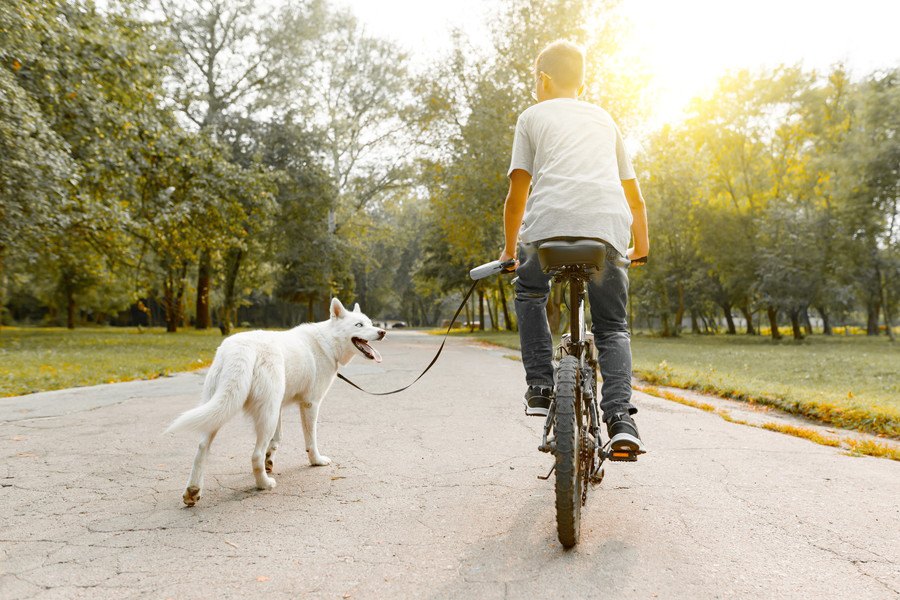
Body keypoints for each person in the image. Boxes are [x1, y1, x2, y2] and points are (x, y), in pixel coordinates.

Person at [497, 40, 649, 458]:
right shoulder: (605, 119)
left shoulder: (531, 116)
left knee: (530, 292)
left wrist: (511, 253)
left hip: (545, 233)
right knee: (612, 327)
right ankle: (621, 419)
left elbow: (517, 196)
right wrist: (642, 247)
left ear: (543, 79)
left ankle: (541, 387)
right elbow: (634, 197)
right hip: (606, 233)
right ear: (581, 81)